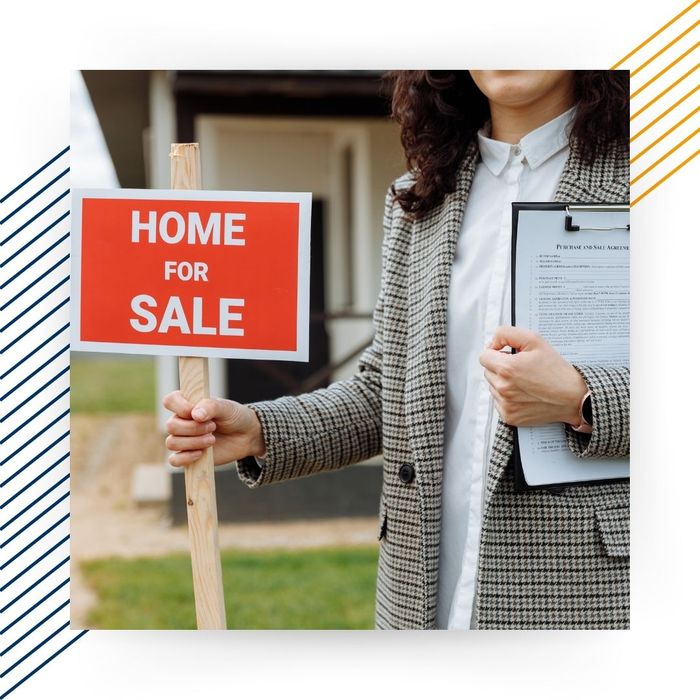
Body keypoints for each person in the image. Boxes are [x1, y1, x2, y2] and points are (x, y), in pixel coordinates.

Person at [163, 70, 630, 630]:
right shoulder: (418, 197)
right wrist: (261, 430)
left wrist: (582, 399)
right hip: (417, 594)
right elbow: (386, 390)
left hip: (590, 595)